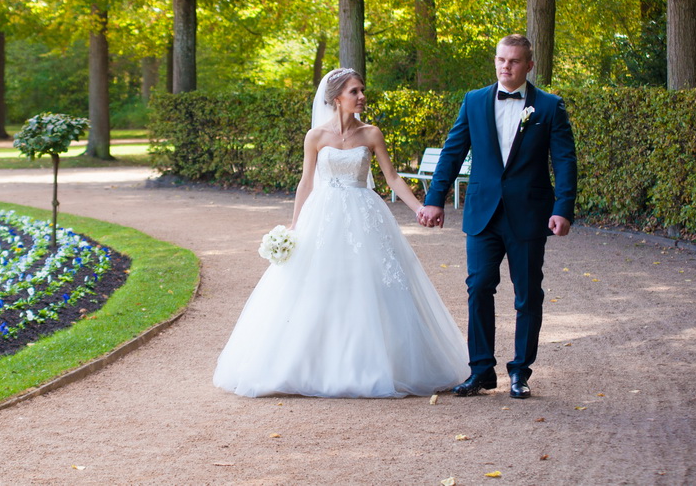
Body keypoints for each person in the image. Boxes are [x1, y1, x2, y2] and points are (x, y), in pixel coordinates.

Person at [213, 68, 470, 398]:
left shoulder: (371, 133)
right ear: (336, 98)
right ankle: (311, 366)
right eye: (355, 91)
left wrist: (418, 208)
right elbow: (306, 182)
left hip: (365, 214)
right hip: (324, 214)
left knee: (374, 284)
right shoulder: (316, 136)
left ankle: (376, 364)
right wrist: (294, 224)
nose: (362, 96)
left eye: (362, 90)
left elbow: (392, 179)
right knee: (318, 284)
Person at [418, 34, 577, 399]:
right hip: (483, 212)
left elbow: (565, 161)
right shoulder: (474, 101)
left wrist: (562, 208)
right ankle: (481, 371)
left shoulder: (550, 107)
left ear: (529, 66)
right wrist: (435, 199)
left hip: (530, 212)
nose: (506, 67)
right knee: (478, 287)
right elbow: (452, 151)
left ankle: (520, 372)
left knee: (527, 296)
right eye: (501, 60)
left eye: (514, 61)